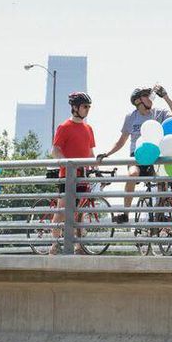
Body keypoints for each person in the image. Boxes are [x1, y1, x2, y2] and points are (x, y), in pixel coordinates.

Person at [97, 85, 172, 223]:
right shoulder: (131, 117)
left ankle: (160, 212)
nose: (151, 98)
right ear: (138, 101)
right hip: (136, 155)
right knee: (132, 174)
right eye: (146, 95)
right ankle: (125, 213)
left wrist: (165, 96)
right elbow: (121, 141)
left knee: (163, 178)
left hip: (156, 154)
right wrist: (107, 153)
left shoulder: (159, 113)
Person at [50, 92, 96, 255]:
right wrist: (67, 165)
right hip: (67, 175)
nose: (87, 110)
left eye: (89, 107)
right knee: (62, 210)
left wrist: (95, 167)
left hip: (83, 175)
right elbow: (55, 150)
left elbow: (90, 152)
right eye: (85, 106)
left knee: (80, 212)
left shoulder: (88, 128)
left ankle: (78, 245)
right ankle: (55, 244)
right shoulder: (64, 127)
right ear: (75, 108)